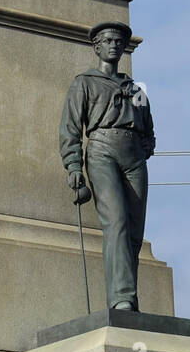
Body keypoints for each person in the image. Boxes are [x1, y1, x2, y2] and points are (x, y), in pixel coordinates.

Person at [59, 22, 155, 312]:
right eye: (108, 40)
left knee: (135, 232)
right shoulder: (84, 83)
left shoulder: (136, 89)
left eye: (119, 41)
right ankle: (120, 298)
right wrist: (74, 165)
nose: (114, 45)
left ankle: (129, 298)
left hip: (134, 157)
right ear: (97, 47)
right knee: (117, 222)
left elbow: (149, 130)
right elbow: (71, 129)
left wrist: (145, 146)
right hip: (102, 152)